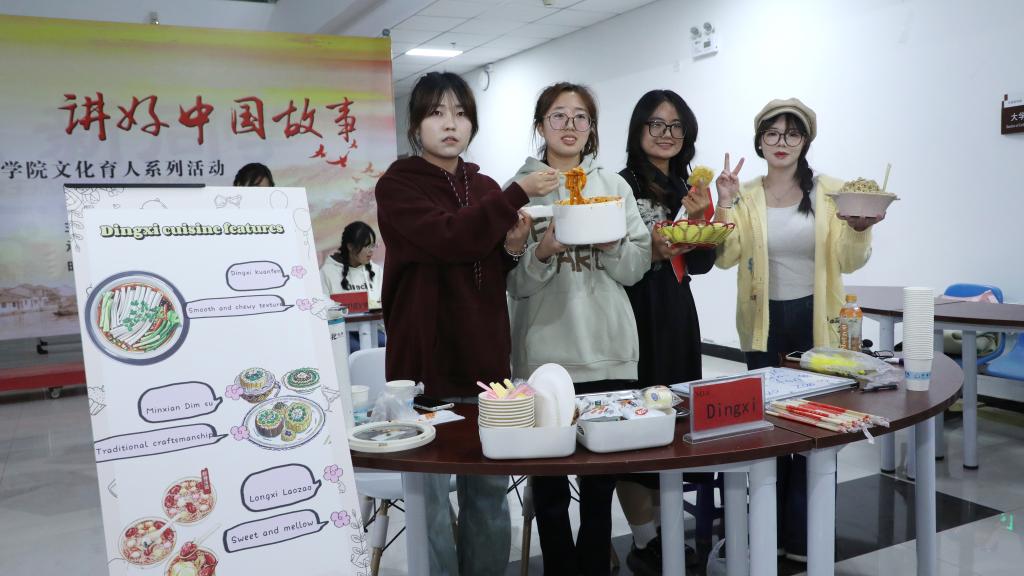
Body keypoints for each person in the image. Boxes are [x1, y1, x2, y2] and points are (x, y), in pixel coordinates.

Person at [374, 71, 558, 576]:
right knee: (430, 503)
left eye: (460, 113)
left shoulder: (483, 186)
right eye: (436, 113)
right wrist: (516, 194)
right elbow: (449, 238)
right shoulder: (397, 185)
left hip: (486, 363)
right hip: (424, 367)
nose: (450, 124)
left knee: (489, 494)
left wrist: (513, 248)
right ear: (416, 125)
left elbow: (487, 266)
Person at [714, 98, 883, 561]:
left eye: (792, 134)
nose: (781, 142)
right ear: (759, 141)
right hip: (762, 323)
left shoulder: (831, 191)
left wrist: (861, 228)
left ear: (805, 141)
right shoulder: (746, 194)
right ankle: (769, 530)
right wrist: (724, 203)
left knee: (814, 430)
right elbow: (725, 257)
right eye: (772, 133)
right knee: (769, 428)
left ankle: (806, 536)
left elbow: (850, 259)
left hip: (816, 320)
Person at [507, 82, 651, 576]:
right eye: (558, 116)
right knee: (549, 489)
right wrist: (544, 251)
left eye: (580, 117)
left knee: (599, 486)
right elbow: (513, 284)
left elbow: (635, 268)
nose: (569, 126)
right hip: (545, 358)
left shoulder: (614, 186)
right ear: (540, 125)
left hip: (609, 349)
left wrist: (611, 245)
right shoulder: (520, 190)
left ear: (591, 128)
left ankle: (594, 565)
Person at [616, 89, 716, 574]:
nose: (666, 134)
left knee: (674, 418)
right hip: (632, 309)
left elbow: (701, 262)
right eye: (656, 124)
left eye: (676, 126)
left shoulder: (686, 188)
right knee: (636, 423)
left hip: (676, 310)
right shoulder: (620, 184)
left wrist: (699, 217)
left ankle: (666, 535)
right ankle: (645, 539)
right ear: (639, 129)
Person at [319, 221, 385, 350]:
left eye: (373, 246)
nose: (371, 251)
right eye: (366, 246)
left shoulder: (376, 270)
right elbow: (322, 310)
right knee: (354, 350)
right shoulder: (327, 272)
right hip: (342, 333)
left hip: (374, 330)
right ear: (350, 246)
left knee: (384, 346)